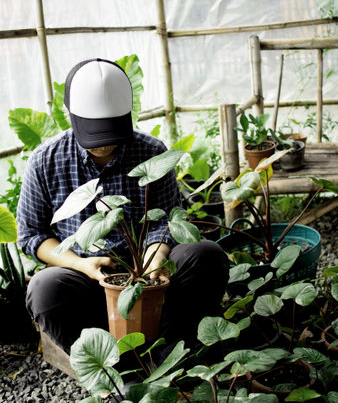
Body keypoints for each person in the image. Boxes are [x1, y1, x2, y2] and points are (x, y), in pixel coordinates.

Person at [17, 58, 229, 359]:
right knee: (44, 288)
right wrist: (82, 265)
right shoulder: (44, 161)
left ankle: (171, 353)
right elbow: (31, 235)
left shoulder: (152, 152)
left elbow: (168, 219)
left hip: (152, 277)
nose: (103, 146)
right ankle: (111, 368)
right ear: (71, 116)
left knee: (206, 255)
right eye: (94, 136)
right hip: (89, 277)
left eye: (110, 135)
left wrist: (157, 254)